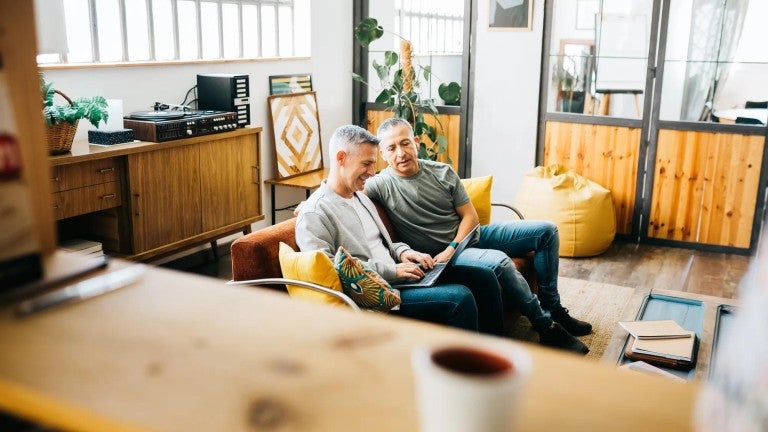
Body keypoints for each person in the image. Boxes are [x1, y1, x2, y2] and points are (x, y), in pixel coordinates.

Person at [366, 117, 592, 355]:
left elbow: (470, 216)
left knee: (547, 231)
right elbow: (350, 186)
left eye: (405, 143)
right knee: (500, 262)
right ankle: (546, 327)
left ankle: (553, 307)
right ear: (383, 154)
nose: (400, 153)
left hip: (468, 238)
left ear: (416, 142)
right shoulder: (379, 185)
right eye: (391, 148)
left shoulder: (442, 171)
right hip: (446, 255)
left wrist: (453, 246)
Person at [296, 124, 493, 333]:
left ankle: (496, 349)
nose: (372, 172)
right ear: (341, 158)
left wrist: (404, 252)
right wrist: (393, 271)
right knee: (458, 298)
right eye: (366, 164)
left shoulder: (360, 198)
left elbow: (383, 243)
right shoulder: (314, 214)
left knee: (484, 278)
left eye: (373, 164)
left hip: (400, 276)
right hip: (381, 294)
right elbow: (331, 272)